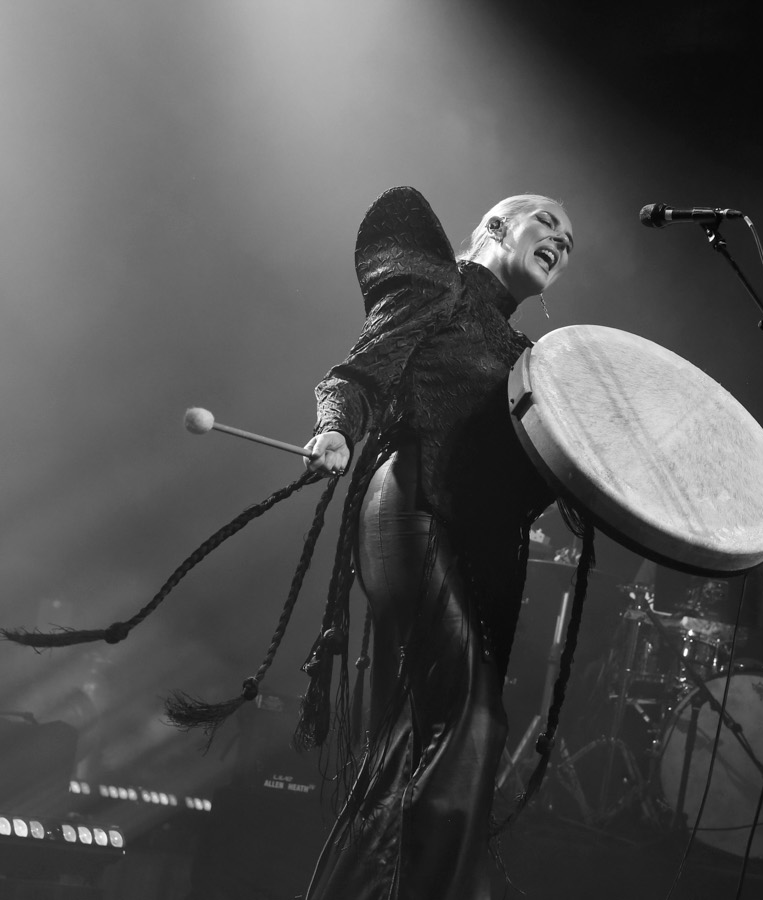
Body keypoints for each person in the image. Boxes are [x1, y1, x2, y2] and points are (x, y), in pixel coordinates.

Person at [299, 185, 574, 900]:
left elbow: (524, 479)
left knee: (412, 742)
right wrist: (335, 427)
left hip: (472, 544)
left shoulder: (528, 357)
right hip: (411, 510)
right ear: (493, 226)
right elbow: (358, 370)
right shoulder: (440, 286)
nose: (562, 240)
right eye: (547, 221)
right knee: (472, 721)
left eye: (569, 243)